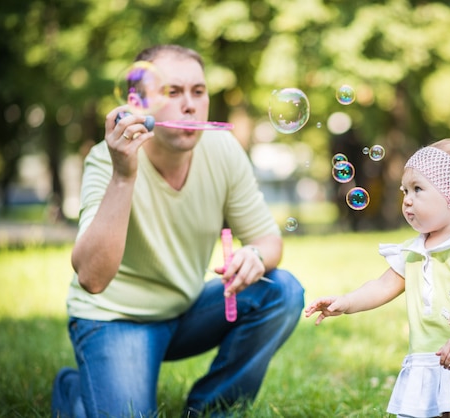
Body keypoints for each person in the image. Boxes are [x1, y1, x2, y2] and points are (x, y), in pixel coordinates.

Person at [51, 44, 305, 418]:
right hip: (116, 319)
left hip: (186, 309)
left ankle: (211, 409)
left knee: (282, 290)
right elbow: (92, 278)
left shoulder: (223, 149)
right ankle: (74, 392)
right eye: (173, 92)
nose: (189, 105)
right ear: (139, 102)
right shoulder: (109, 158)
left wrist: (254, 256)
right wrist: (124, 175)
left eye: (198, 92)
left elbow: (268, 242)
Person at [305, 139, 450, 418]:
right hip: (425, 363)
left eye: (417, 189)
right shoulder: (413, 250)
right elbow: (383, 285)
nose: (407, 199)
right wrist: (345, 302)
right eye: (405, 191)